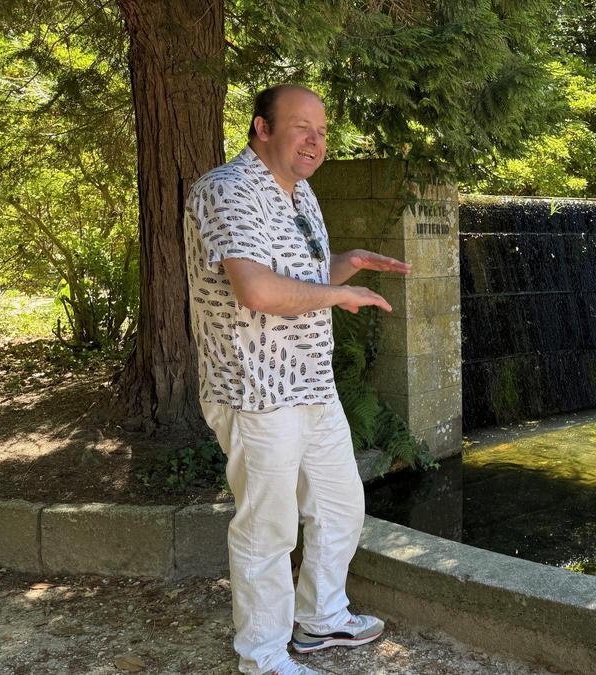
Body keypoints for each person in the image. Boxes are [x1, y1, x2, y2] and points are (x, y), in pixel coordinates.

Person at [184, 84, 411, 675]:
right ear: (261, 127)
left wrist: (346, 264)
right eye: (301, 126)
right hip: (256, 391)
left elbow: (298, 277)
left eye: (323, 130)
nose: (316, 140)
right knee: (268, 526)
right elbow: (256, 289)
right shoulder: (227, 190)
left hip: (311, 383)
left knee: (339, 505)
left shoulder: (301, 193)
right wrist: (340, 292)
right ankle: (261, 656)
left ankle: (321, 618)